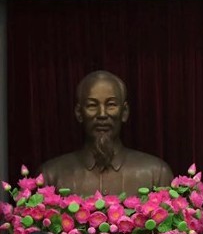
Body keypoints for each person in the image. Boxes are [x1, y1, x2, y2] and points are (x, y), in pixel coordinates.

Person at [40, 70, 173, 196]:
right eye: (92, 105)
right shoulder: (51, 176)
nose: (102, 114)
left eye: (111, 105)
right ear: (79, 113)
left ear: (124, 112)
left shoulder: (157, 174)